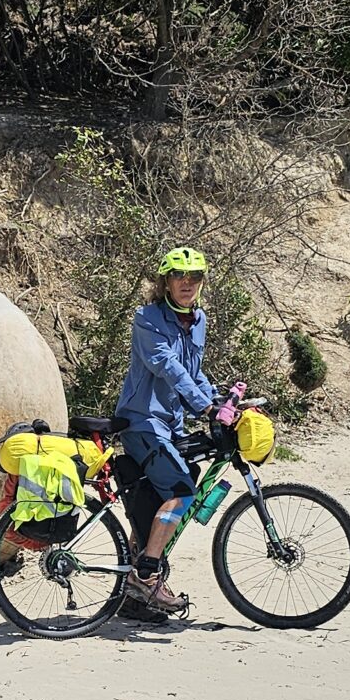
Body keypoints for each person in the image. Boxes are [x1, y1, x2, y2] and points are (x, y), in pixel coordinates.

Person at [113, 246, 219, 621]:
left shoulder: (198, 319)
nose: (187, 283)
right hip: (143, 422)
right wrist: (204, 407)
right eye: (179, 276)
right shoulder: (148, 318)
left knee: (157, 500)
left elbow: (195, 371)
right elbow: (168, 368)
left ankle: (132, 594)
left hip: (172, 425)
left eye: (194, 277)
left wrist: (221, 401)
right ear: (165, 281)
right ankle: (147, 573)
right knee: (180, 491)